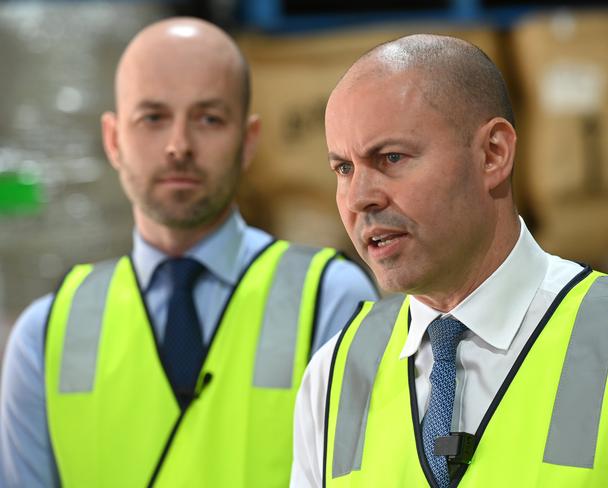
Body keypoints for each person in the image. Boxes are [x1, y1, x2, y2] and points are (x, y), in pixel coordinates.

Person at [0, 17, 378, 487]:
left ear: (248, 141)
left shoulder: (333, 303)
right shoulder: (45, 337)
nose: (179, 146)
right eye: (153, 118)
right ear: (114, 140)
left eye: (209, 119)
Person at [291, 34, 608, 487]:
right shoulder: (334, 375)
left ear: (493, 154)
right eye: (344, 169)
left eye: (391, 157)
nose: (359, 198)